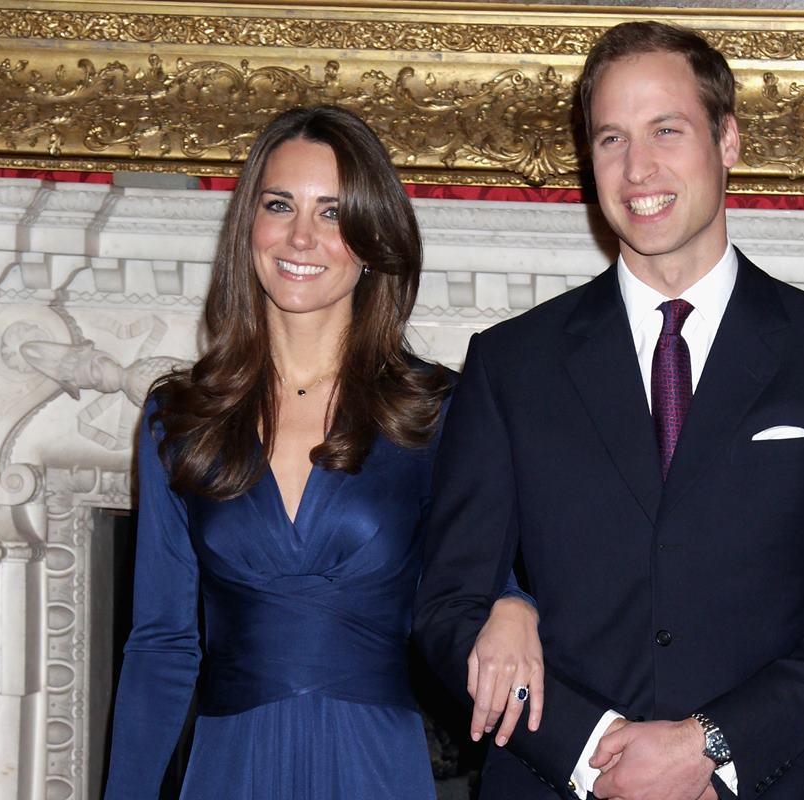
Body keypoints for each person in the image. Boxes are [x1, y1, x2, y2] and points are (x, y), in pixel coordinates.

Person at [414, 21, 804, 800]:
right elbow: (448, 606)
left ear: (728, 140)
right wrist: (591, 751)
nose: (637, 167)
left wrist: (708, 746)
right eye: (611, 138)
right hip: (552, 781)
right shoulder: (512, 363)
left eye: (667, 130)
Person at [103, 105, 542, 799]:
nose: (301, 237)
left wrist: (517, 605)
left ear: (372, 240)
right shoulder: (180, 416)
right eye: (279, 205)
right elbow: (161, 644)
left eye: (333, 213)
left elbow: (480, 566)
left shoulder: (433, 411)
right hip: (228, 768)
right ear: (249, 224)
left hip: (375, 764)